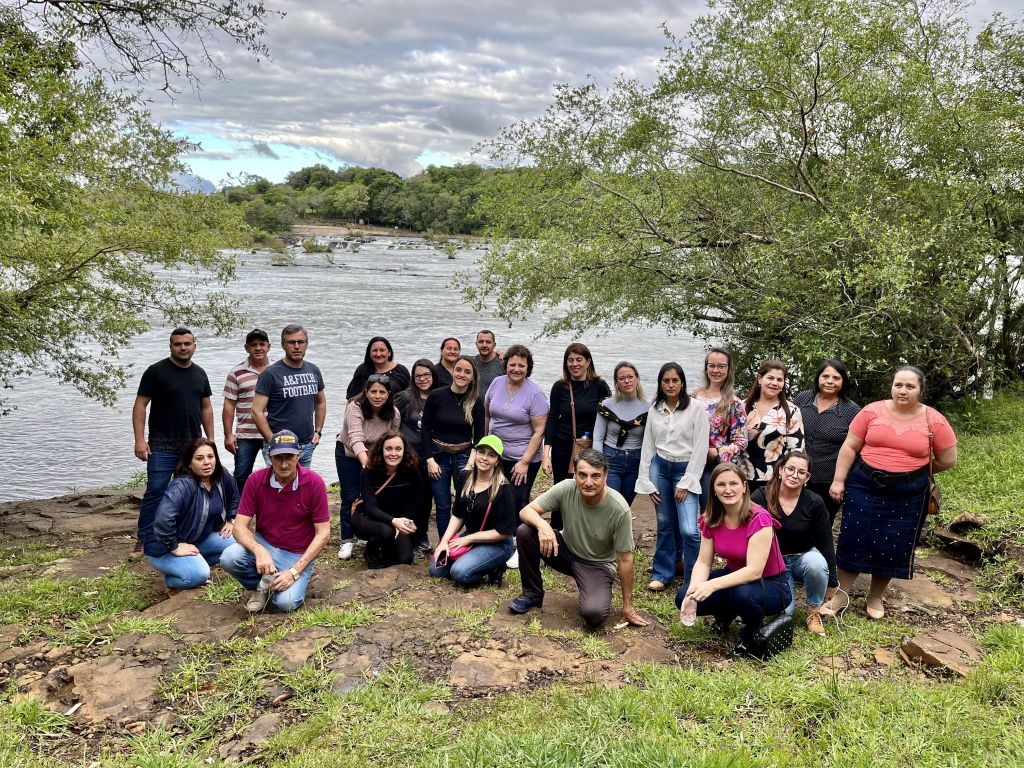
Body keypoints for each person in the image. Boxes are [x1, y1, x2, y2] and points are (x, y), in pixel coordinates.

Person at [824, 367, 957, 620]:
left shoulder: (934, 420)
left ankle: (875, 596)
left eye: (910, 386)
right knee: (853, 537)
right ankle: (841, 595)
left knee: (892, 542)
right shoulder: (871, 411)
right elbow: (850, 446)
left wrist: (912, 472)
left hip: (908, 493)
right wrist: (838, 481)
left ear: (921, 390)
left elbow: (948, 459)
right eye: (898, 385)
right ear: (892, 386)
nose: (902, 391)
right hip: (864, 484)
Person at [509, 449, 648, 630]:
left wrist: (627, 606)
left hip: (597, 565)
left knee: (594, 615)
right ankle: (532, 594)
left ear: (606, 476)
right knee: (525, 531)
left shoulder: (619, 508)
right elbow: (526, 511)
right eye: (582, 475)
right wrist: (543, 525)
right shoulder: (567, 488)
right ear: (574, 474)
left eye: (595, 476)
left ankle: (595, 592)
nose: (588, 482)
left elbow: (625, 558)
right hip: (565, 550)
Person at [676, 463, 791, 657]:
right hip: (733, 576)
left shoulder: (759, 518)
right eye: (721, 484)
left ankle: (751, 633)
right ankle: (725, 615)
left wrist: (712, 585)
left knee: (743, 595)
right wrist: (694, 590)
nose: (727, 489)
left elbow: (754, 571)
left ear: (744, 487)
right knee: (684, 596)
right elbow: (703, 562)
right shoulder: (711, 518)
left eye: (733, 483)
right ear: (713, 489)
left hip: (770, 583)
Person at [220, 430, 331, 613]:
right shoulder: (255, 480)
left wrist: (294, 571)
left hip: (297, 553)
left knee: (286, 603)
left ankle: (286, 579)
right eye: (278, 457)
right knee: (229, 557)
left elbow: (324, 533)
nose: (284, 464)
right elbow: (239, 527)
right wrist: (259, 550)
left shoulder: (314, 483)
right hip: (266, 543)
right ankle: (261, 586)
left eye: (289, 457)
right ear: (269, 456)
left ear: (299, 455)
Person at [131, 327, 214, 558]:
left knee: (189, 492)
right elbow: (140, 405)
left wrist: (210, 440)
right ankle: (144, 539)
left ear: (194, 345)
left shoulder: (200, 374)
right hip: (162, 444)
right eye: (178, 344)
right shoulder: (156, 372)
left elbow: (206, 408)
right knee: (156, 491)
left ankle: (182, 536)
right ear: (171, 346)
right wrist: (139, 440)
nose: (183, 348)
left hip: (192, 446)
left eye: (187, 343)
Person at [635, 362, 710, 591]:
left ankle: (694, 579)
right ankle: (662, 572)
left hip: (685, 468)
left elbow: (701, 447)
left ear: (682, 383)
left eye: (675, 380)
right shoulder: (655, 409)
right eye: (666, 381)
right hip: (660, 468)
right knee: (665, 523)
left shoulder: (696, 409)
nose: (670, 385)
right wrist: (645, 479)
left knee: (689, 529)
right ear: (660, 384)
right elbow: (648, 445)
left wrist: (687, 481)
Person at [751, 451, 837, 636]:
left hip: (802, 557)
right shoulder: (761, 496)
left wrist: (833, 581)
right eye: (790, 469)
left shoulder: (815, 502)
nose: (794, 475)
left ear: (807, 478)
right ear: (781, 470)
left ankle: (814, 611)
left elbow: (825, 541)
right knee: (785, 614)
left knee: (816, 564)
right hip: (773, 563)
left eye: (801, 472)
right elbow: (747, 532)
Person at [145, 438, 238, 590]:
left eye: (210, 456)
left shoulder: (221, 476)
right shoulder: (181, 486)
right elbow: (163, 519)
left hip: (197, 539)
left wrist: (231, 519)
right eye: (199, 458)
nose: (207, 462)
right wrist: (174, 546)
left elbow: (234, 495)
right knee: (199, 575)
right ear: (189, 463)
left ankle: (194, 561)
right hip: (163, 547)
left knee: (238, 545)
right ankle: (172, 580)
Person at [430, 435, 517, 586]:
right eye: (481, 452)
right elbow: (457, 515)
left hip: (497, 544)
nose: (484, 458)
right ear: (475, 453)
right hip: (471, 536)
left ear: (497, 461)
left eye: (491, 455)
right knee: (435, 570)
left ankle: (495, 567)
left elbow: (505, 532)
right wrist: (444, 541)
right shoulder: (465, 477)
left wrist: (468, 539)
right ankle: (476, 561)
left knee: (460, 573)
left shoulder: (504, 489)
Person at [542, 343, 611, 528]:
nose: (574, 364)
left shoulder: (600, 386)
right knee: (562, 489)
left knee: (588, 489)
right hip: (562, 448)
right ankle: (557, 532)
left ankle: (583, 530)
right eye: (570, 360)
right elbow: (552, 420)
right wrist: (545, 455)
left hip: (590, 449)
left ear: (588, 362)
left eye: (579, 360)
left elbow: (610, 415)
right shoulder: (560, 387)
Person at [336, 376, 401, 560]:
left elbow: (392, 439)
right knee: (350, 496)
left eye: (382, 392)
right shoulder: (355, 407)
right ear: (366, 392)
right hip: (349, 453)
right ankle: (347, 539)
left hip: (375, 456)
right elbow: (356, 438)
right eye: (373, 391)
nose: (377, 396)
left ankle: (365, 533)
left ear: (388, 394)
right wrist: (367, 465)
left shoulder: (394, 413)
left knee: (372, 495)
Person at [422, 355, 484, 538]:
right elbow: (425, 430)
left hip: (464, 456)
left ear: (472, 377)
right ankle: (444, 544)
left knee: (464, 501)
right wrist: (429, 460)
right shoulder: (436, 396)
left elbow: (479, 437)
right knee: (442, 505)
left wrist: (470, 465)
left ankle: (461, 542)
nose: (462, 374)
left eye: (467, 372)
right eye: (458, 370)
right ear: (452, 371)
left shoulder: (476, 401)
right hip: (438, 456)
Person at [793, 359, 861, 522]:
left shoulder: (852, 410)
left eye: (836, 378)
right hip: (796, 475)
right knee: (792, 520)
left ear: (843, 381)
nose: (830, 381)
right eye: (825, 376)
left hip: (828, 481)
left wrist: (841, 481)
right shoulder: (803, 399)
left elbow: (856, 449)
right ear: (818, 378)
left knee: (821, 524)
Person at [483, 344, 548, 513]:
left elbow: (539, 431)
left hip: (521, 458)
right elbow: (487, 415)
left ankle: (519, 531)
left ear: (528, 368)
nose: (516, 369)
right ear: (505, 365)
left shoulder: (535, 394)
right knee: (494, 499)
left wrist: (524, 462)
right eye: (512, 364)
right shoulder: (497, 382)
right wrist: (484, 445)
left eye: (521, 365)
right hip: (496, 455)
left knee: (517, 502)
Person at [251, 324, 326, 468]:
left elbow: (321, 402)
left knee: (303, 481)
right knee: (277, 481)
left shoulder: (313, 370)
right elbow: (256, 411)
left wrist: (318, 431)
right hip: (279, 447)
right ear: (283, 345)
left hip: (306, 445)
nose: (296, 346)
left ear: (306, 344)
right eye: (291, 342)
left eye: (300, 342)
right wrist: (271, 439)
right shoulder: (270, 374)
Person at [353, 432, 422, 569]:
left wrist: (402, 521)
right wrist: (393, 521)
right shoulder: (368, 472)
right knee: (386, 531)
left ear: (405, 451)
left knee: (404, 559)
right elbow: (370, 507)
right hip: (368, 517)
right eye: (388, 449)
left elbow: (418, 499)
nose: (393, 453)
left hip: (397, 518)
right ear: (381, 450)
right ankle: (371, 552)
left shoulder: (412, 470)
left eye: (398, 449)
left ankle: (386, 547)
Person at [691, 347, 748, 509]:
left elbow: (741, 442)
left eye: (721, 366)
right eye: (712, 366)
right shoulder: (694, 397)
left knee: (709, 512)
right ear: (706, 368)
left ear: (728, 369)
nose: (716, 370)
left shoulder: (734, 403)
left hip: (713, 467)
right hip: (689, 462)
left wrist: (716, 452)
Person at [394, 358, 438, 553]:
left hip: (431, 456)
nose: (422, 379)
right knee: (409, 497)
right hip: (408, 457)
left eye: (426, 375)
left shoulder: (439, 396)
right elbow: (391, 420)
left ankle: (422, 535)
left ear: (433, 376)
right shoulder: (405, 397)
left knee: (426, 498)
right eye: (418, 376)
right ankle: (406, 536)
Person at [741, 360, 804, 492]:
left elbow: (796, 449)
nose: (775, 383)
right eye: (770, 378)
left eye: (780, 380)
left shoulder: (791, 411)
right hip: (741, 477)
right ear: (760, 379)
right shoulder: (742, 406)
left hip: (774, 480)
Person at [222, 329, 272, 492]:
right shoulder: (236, 372)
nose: (258, 348)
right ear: (246, 348)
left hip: (273, 431)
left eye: (261, 344)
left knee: (278, 472)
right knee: (241, 474)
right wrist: (228, 435)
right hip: (246, 434)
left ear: (268, 346)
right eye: (253, 345)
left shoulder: (278, 369)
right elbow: (229, 405)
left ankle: (273, 504)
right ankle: (239, 506)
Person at [593, 361, 649, 507]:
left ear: (637, 378)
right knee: (611, 503)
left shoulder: (649, 408)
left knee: (624, 505)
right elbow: (598, 437)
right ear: (616, 383)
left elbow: (650, 441)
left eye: (630, 377)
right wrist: (599, 466)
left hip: (635, 461)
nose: (626, 381)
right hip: (610, 459)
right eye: (622, 378)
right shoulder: (606, 406)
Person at [345, 336, 410, 398]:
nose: (378, 354)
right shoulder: (362, 370)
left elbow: (411, 395)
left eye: (382, 350)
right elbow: (351, 397)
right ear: (369, 353)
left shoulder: (401, 370)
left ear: (389, 353)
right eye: (375, 350)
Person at [472, 329, 505, 399]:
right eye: (481, 342)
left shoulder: (503, 363)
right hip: (472, 405)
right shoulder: (471, 362)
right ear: (476, 344)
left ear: (494, 345)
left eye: (488, 342)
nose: (484, 345)